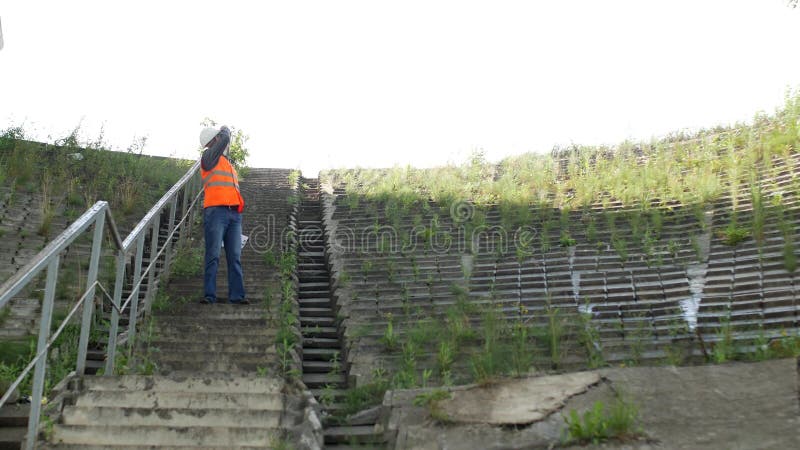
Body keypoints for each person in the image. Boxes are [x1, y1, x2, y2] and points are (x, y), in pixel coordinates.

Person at [199, 125, 248, 304]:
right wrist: (225, 130)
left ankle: (237, 296)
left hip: (234, 214)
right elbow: (226, 138)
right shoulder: (208, 157)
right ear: (214, 141)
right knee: (213, 255)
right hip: (215, 212)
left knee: (234, 256)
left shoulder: (227, 163)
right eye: (218, 138)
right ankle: (209, 295)